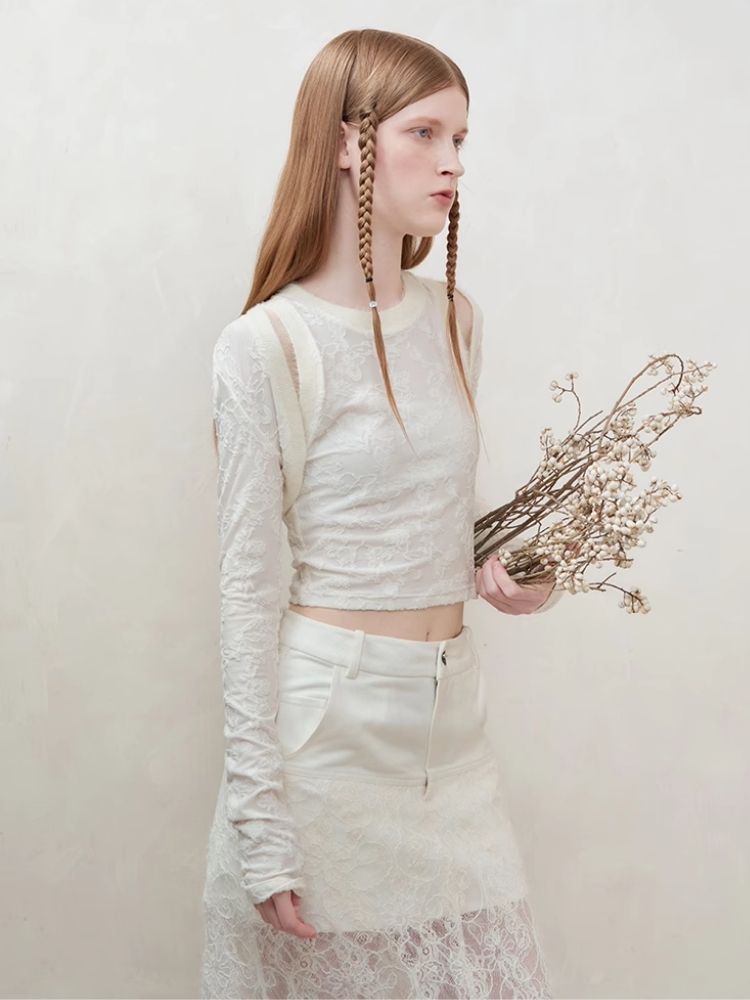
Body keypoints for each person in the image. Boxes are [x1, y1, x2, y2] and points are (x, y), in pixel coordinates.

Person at [201, 27, 560, 999]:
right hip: (329, 741)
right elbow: (245, 587)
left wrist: (513, 567)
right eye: (425, 133)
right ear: (347, 143)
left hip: (452, 739)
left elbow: (433, 508)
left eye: (461, 139)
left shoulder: (455, 318)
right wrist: (261, 820)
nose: (453, 163)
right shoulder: (267, 345)